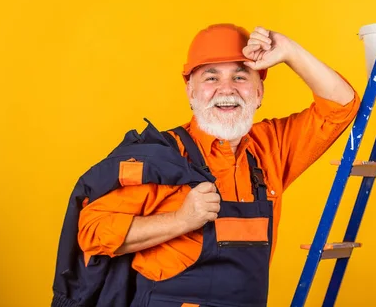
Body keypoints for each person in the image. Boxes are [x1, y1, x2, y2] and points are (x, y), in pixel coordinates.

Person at [76, 23, 361, 306]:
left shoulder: (270, 148)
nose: (227, 89)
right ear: (190, 91)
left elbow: (341, 107)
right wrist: (181, 220)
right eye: (211, 78)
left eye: (240, 77)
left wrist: (289, 51)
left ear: (259, 92)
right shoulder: (161, 157)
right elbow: (93, 232)